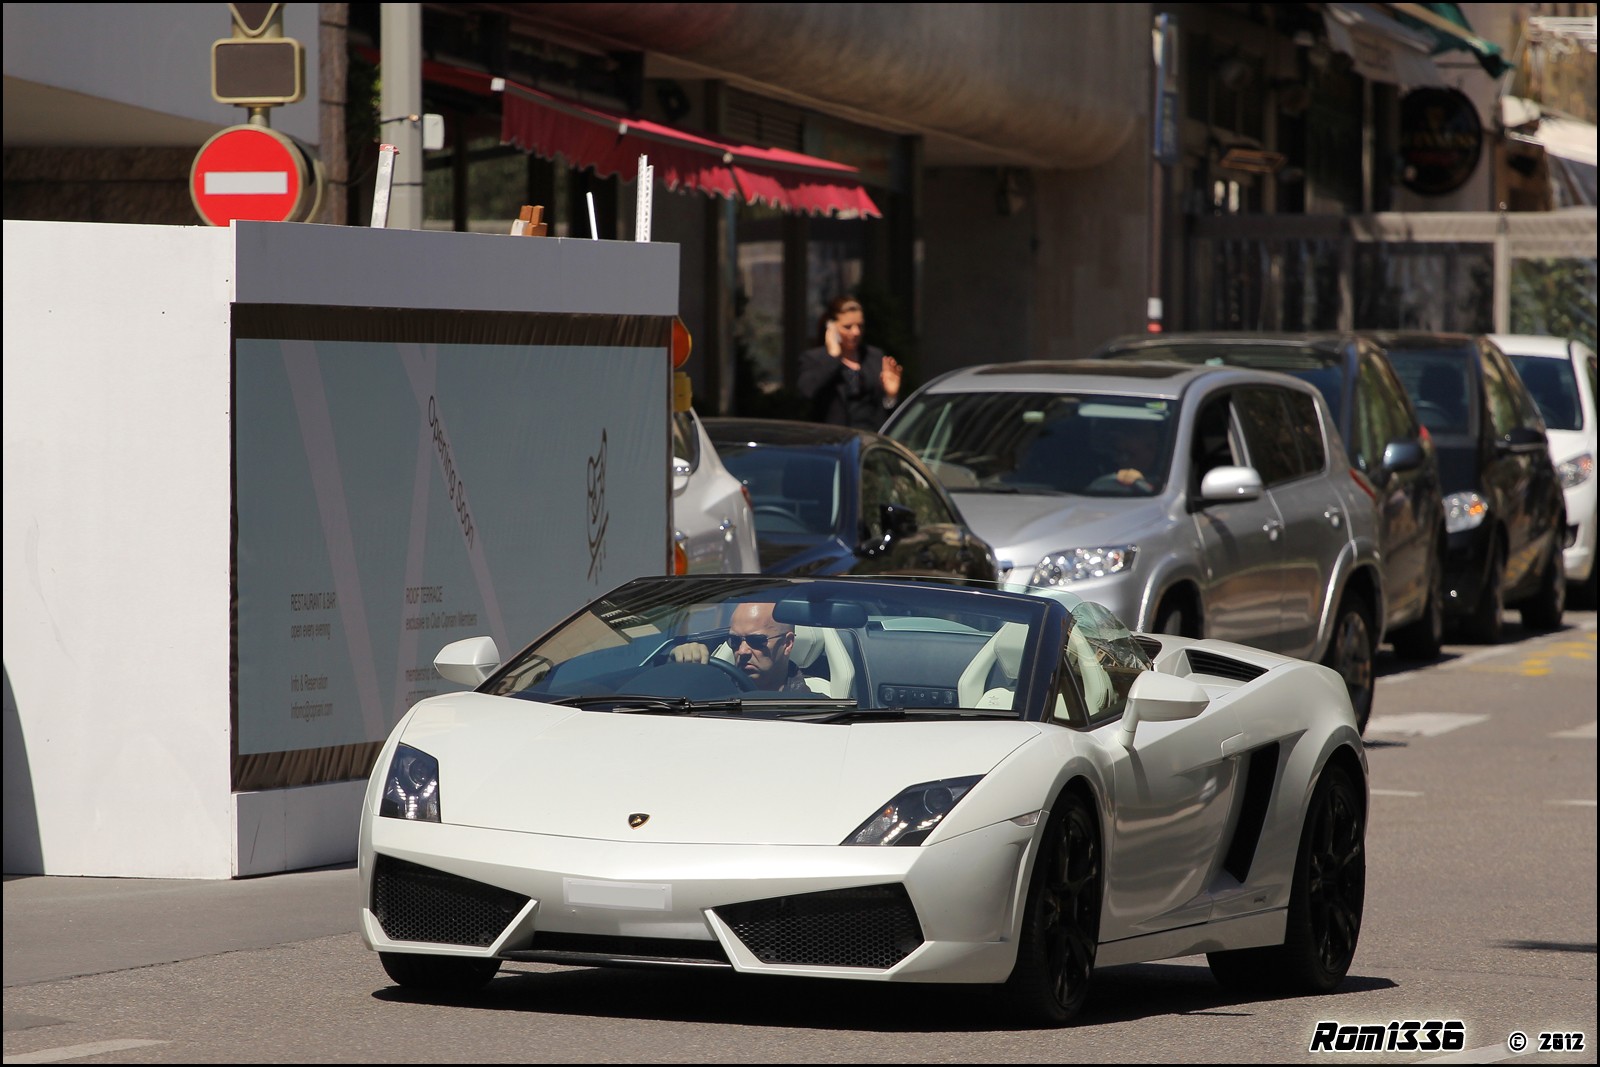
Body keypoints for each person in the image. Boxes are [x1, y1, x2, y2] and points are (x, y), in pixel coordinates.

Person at [796, 296, 903, 430]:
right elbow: (806, 392)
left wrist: (891, 396)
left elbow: (884, 411)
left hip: (870, 438)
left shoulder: (874, 356)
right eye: (847, 327)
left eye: (860, 326)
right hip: (833, 439)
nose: (856, 332)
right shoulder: (814, 358)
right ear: (831, 327)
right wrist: (833, 356)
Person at [670, 602, 811, 691]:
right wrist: (680, 666)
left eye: (756, 641)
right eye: (735, 640)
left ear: (787, 643)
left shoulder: (815, 711)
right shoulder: (711, 692)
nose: (742, 651)